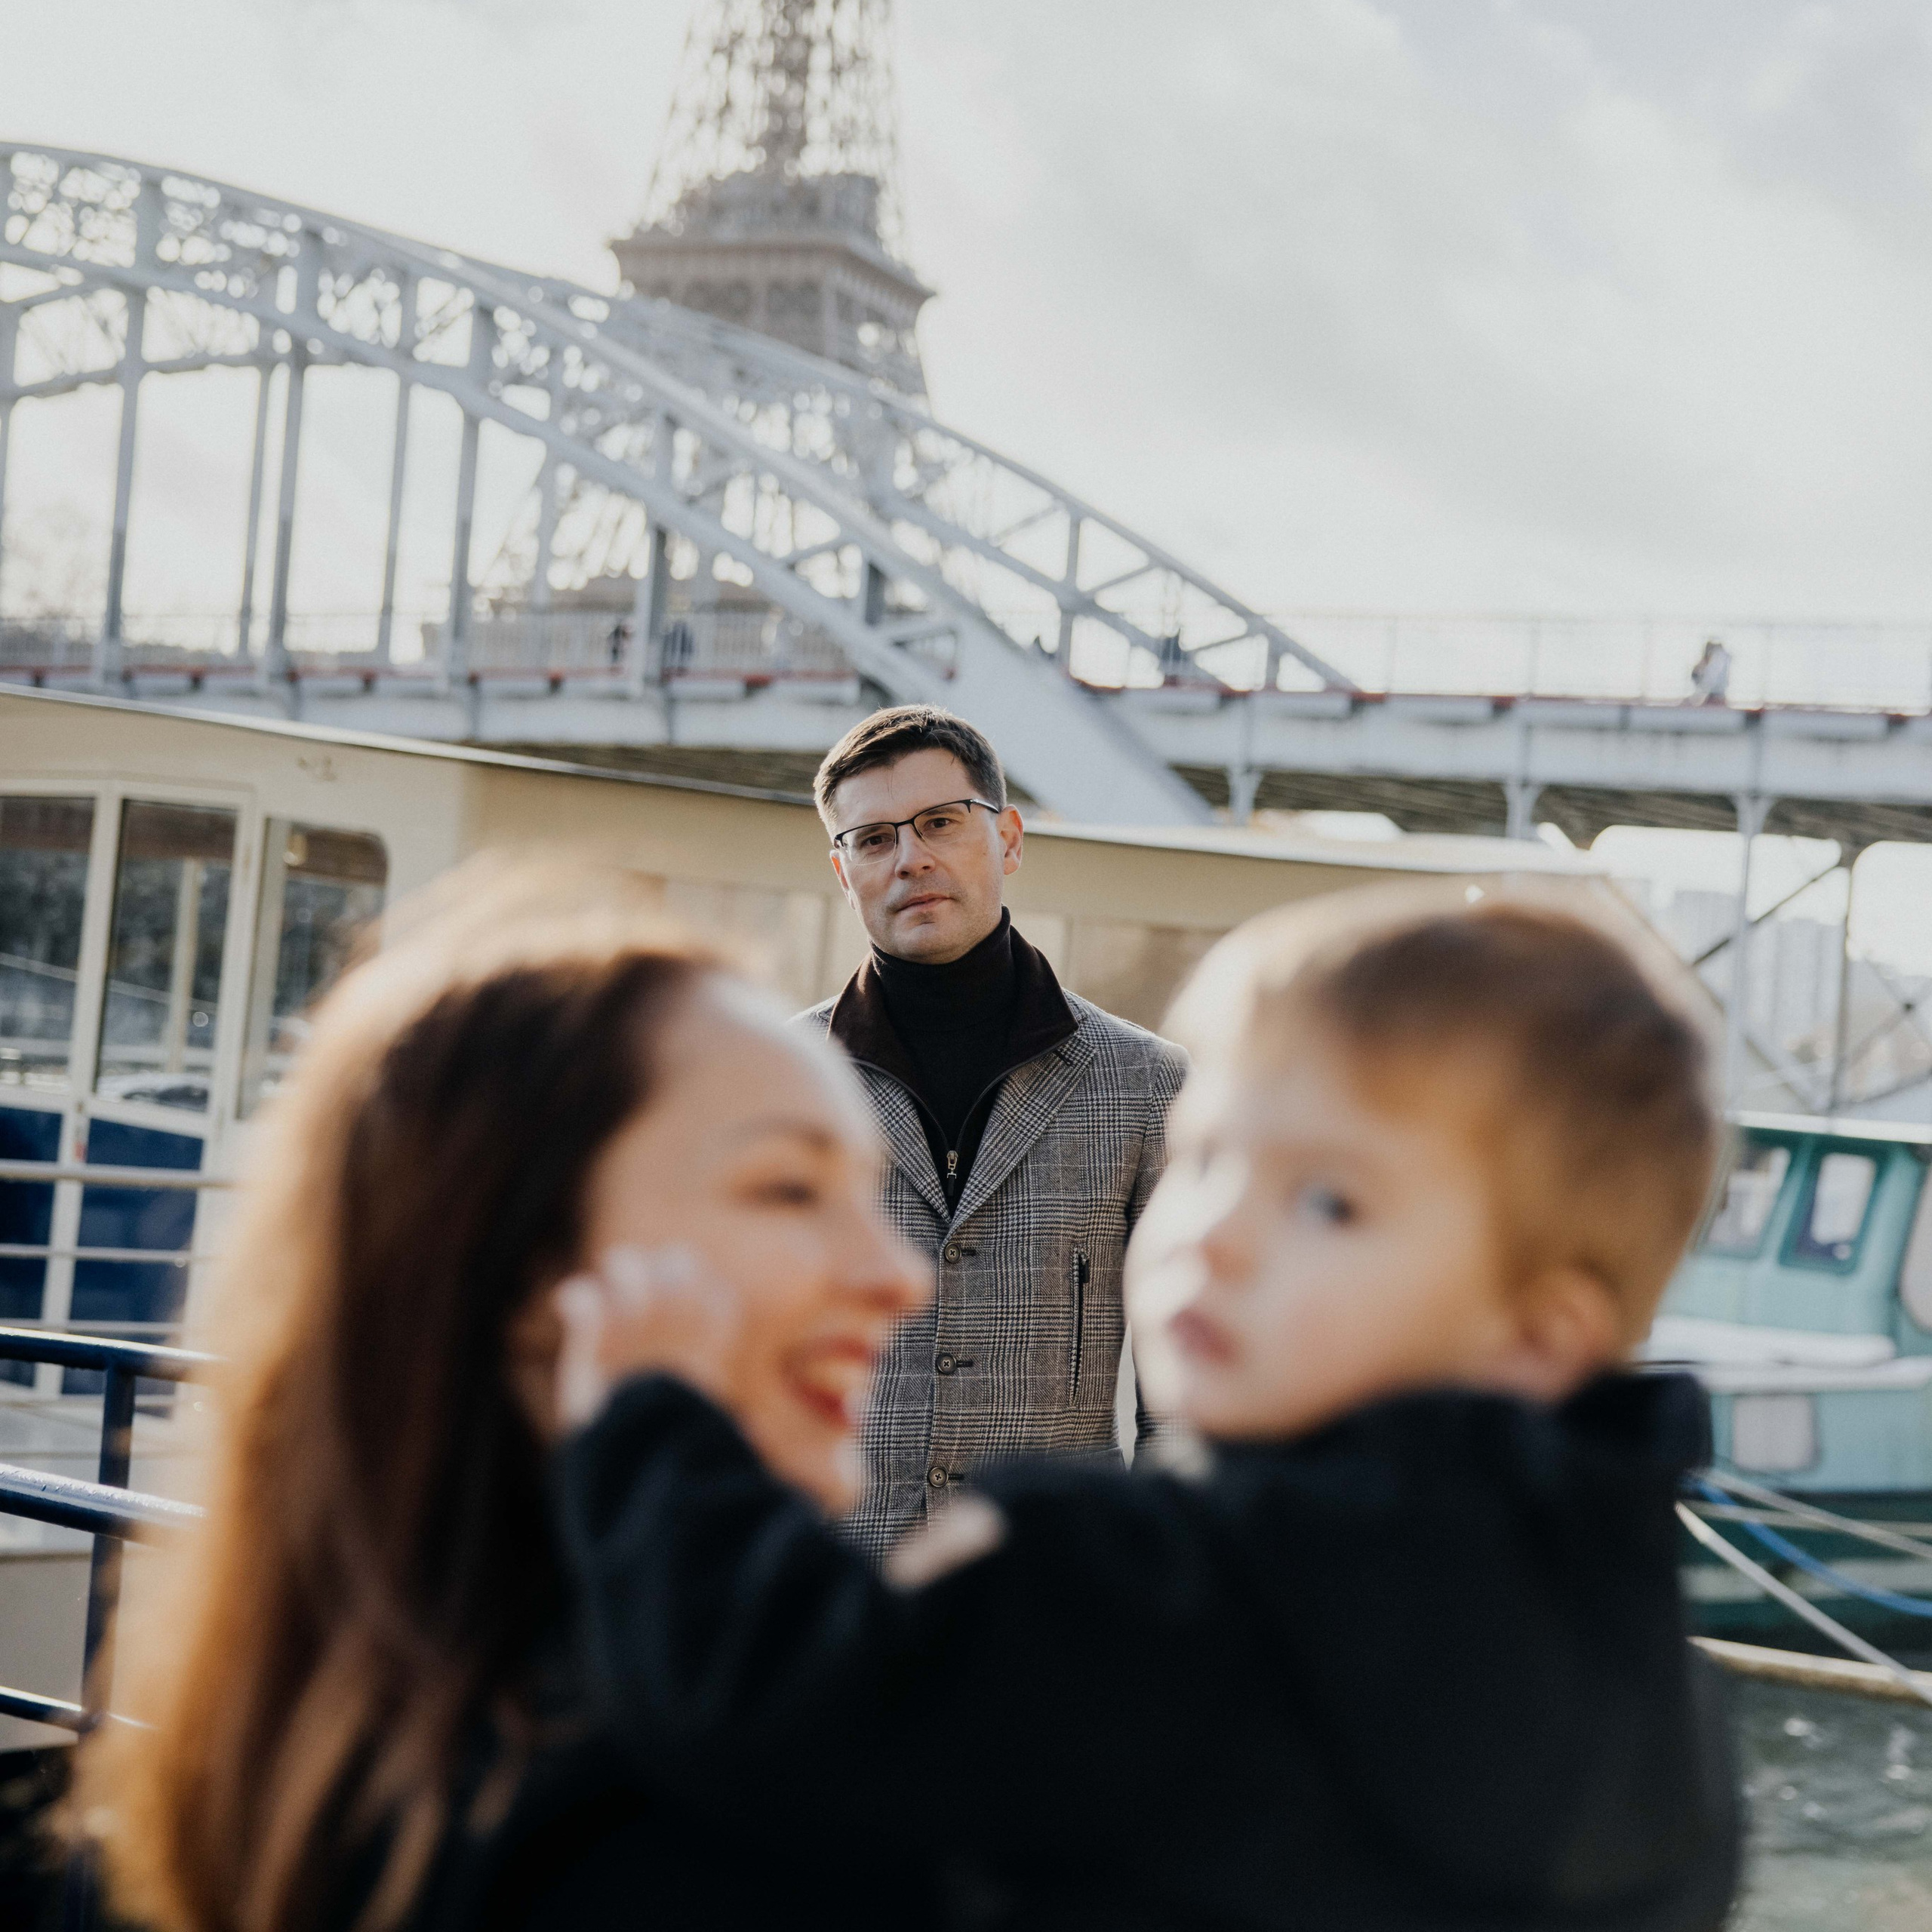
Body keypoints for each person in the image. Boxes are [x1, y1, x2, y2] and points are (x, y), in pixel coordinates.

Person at [540, 884, 1742, 1930]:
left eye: (1326, 1202)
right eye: (1207, 1156)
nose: (1212, 1237)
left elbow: (778, 1713)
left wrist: (654, 1425)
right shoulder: (1656, 1689)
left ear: (1535, 1338)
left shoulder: (1158, 1586)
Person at [75, 860, 936, 1932]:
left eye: (870, 1195)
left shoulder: (305, 1764)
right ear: (527, 1265)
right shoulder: (685, 1830)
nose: (902, 1277)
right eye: (789, 1188)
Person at [803, 705, 1186, 1555]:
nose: (911, 858)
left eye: (940, 822)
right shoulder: (779, 1084)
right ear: (843, 871)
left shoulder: (1147, 1084)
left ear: (1008, 839)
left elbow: (1182, 1406)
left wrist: (1157, 1590)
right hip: (828, 1596)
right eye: (872, 839)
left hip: (1059, 1600)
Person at [1690, 638, 1731, 706]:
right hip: (1711, 697)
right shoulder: (1703, 665)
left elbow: (1710, 680)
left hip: (1716, 696)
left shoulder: (1718, 659)